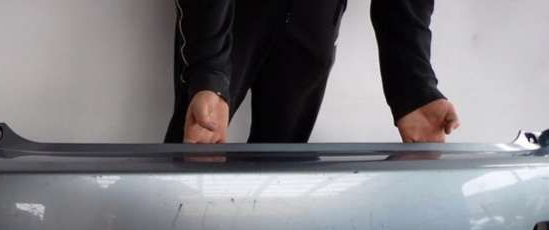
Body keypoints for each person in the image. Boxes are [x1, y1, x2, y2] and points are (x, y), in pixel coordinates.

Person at [164, 0, 460, 144]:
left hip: (314, 18)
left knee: (282, 178)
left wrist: (413, 87)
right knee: (198, 146)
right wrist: (209, 72)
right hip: (229, 13)